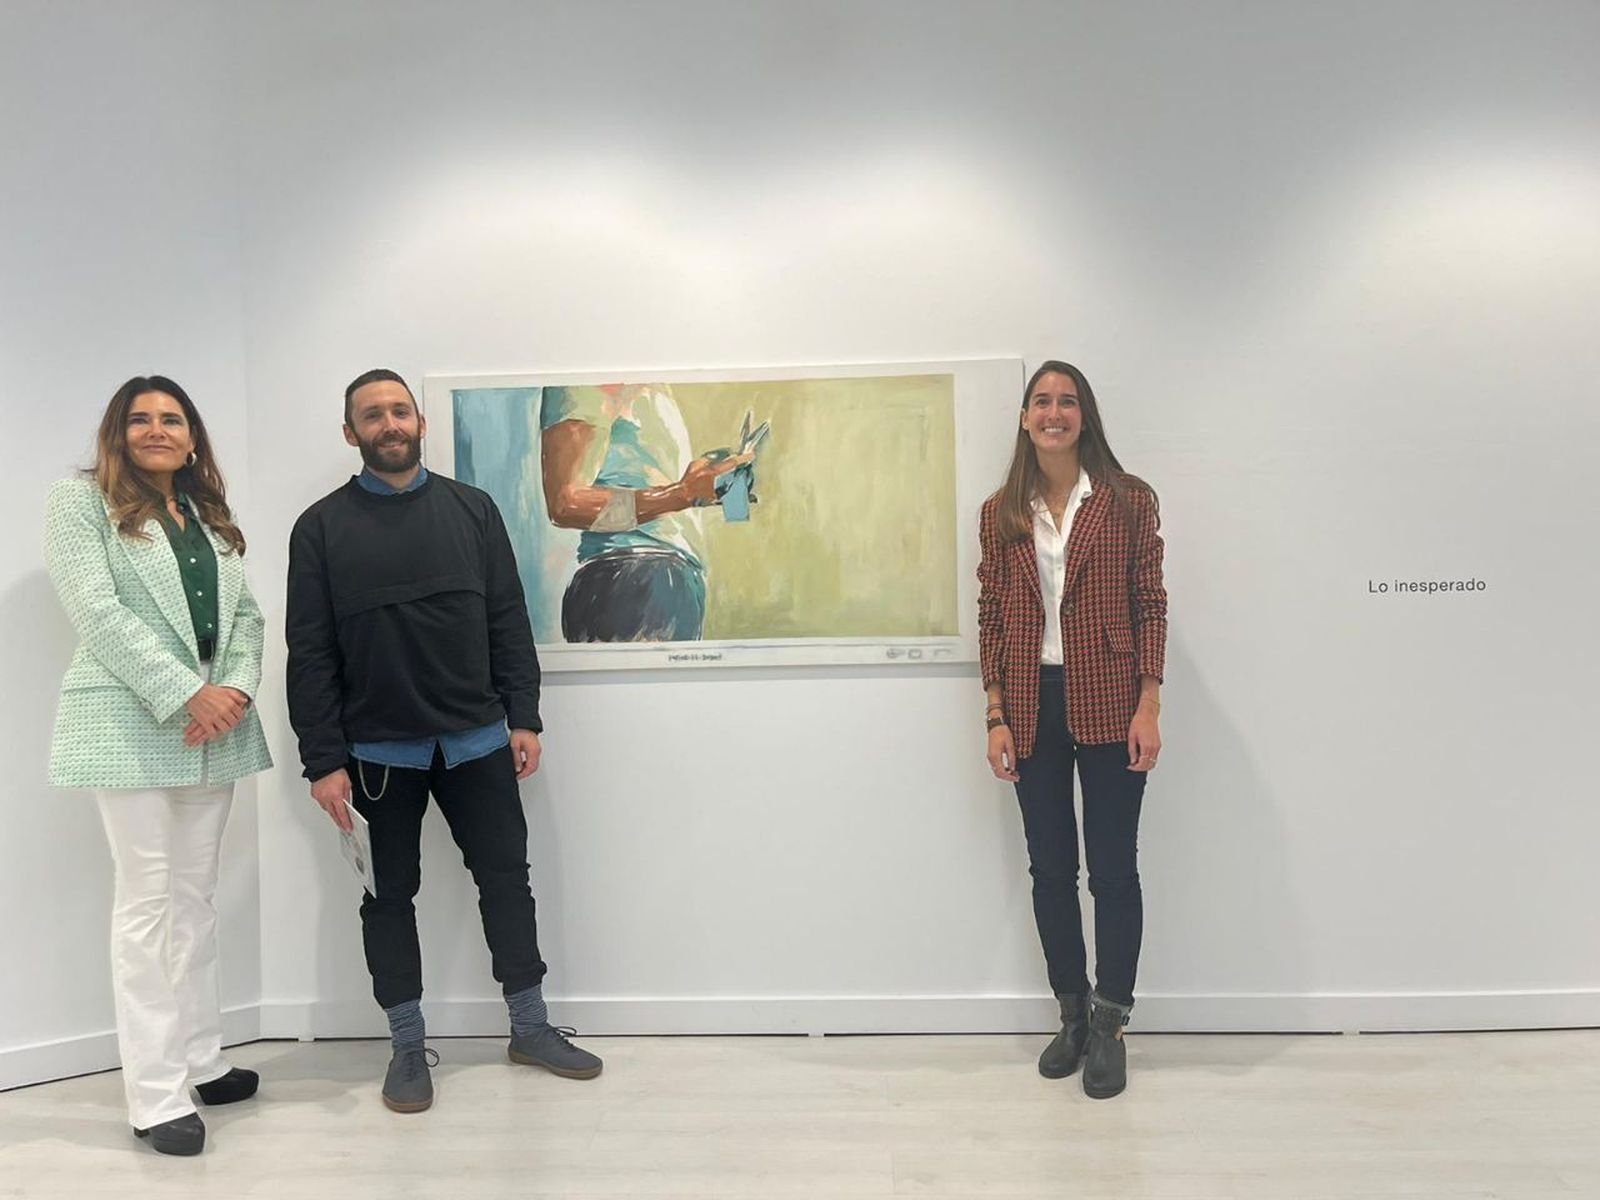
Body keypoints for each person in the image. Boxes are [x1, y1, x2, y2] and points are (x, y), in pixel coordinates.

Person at [286, 368, 602, 1114]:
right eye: (372, 415)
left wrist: (523, 715)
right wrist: (323, 760)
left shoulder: (474, 510)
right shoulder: (320, 529)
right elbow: (311, 653)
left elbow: (506, 619)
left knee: (507, 881)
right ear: (351, 433)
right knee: (387, 901)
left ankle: (530, 1028)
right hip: (376, 755)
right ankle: (405, 1047)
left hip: (478, 740)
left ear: (419, 421)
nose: (388, 423)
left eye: (399, 410)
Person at [44, 375, 272, 1156]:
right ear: (118, 432)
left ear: (193, 437)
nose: (155, 429)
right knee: (145, 906)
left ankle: (202, 1058)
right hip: (131, 722)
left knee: (195, 900)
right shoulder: (80, 503)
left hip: (216, 727)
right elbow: (96, 611)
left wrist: (233, 688)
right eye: (138, 419)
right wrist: (188, 694)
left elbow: (245, 615)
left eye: (171, 419)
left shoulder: (207, 515)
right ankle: (155, 1095)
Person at [976, 360, 1167, 1099]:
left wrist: (1148, 704)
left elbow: (1150, 601)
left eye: (1067, 401)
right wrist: (994, 712)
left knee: (1113, 872)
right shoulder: (1002, 510)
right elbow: (992, 616)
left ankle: (1112, 1022)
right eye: (1041, 401)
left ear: (1085, 416)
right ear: (1025, 418)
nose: (1054, 412)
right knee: (1051, 871)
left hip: (1113, 700)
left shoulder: (1126, 501)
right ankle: (1073, 1012)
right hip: (1029, 706)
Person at [539, 382, 754, 641]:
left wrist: (706, 485)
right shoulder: (589, 380)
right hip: (629, 579)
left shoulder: (651, 383)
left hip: (667, 578)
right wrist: (682, 494)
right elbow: (566, 504)